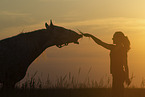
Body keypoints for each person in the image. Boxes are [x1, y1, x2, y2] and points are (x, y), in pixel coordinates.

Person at [83, 31, 131, 97]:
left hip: (119, 75)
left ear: (118, 39)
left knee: (117, 94)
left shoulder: (122, 50)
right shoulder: (113, 48)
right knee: (116, 93)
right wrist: (91, 36)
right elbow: (100, 43)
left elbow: (126, 65)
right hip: (115, 74)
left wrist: (127, 77)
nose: (112, 39)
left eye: (114, 38)